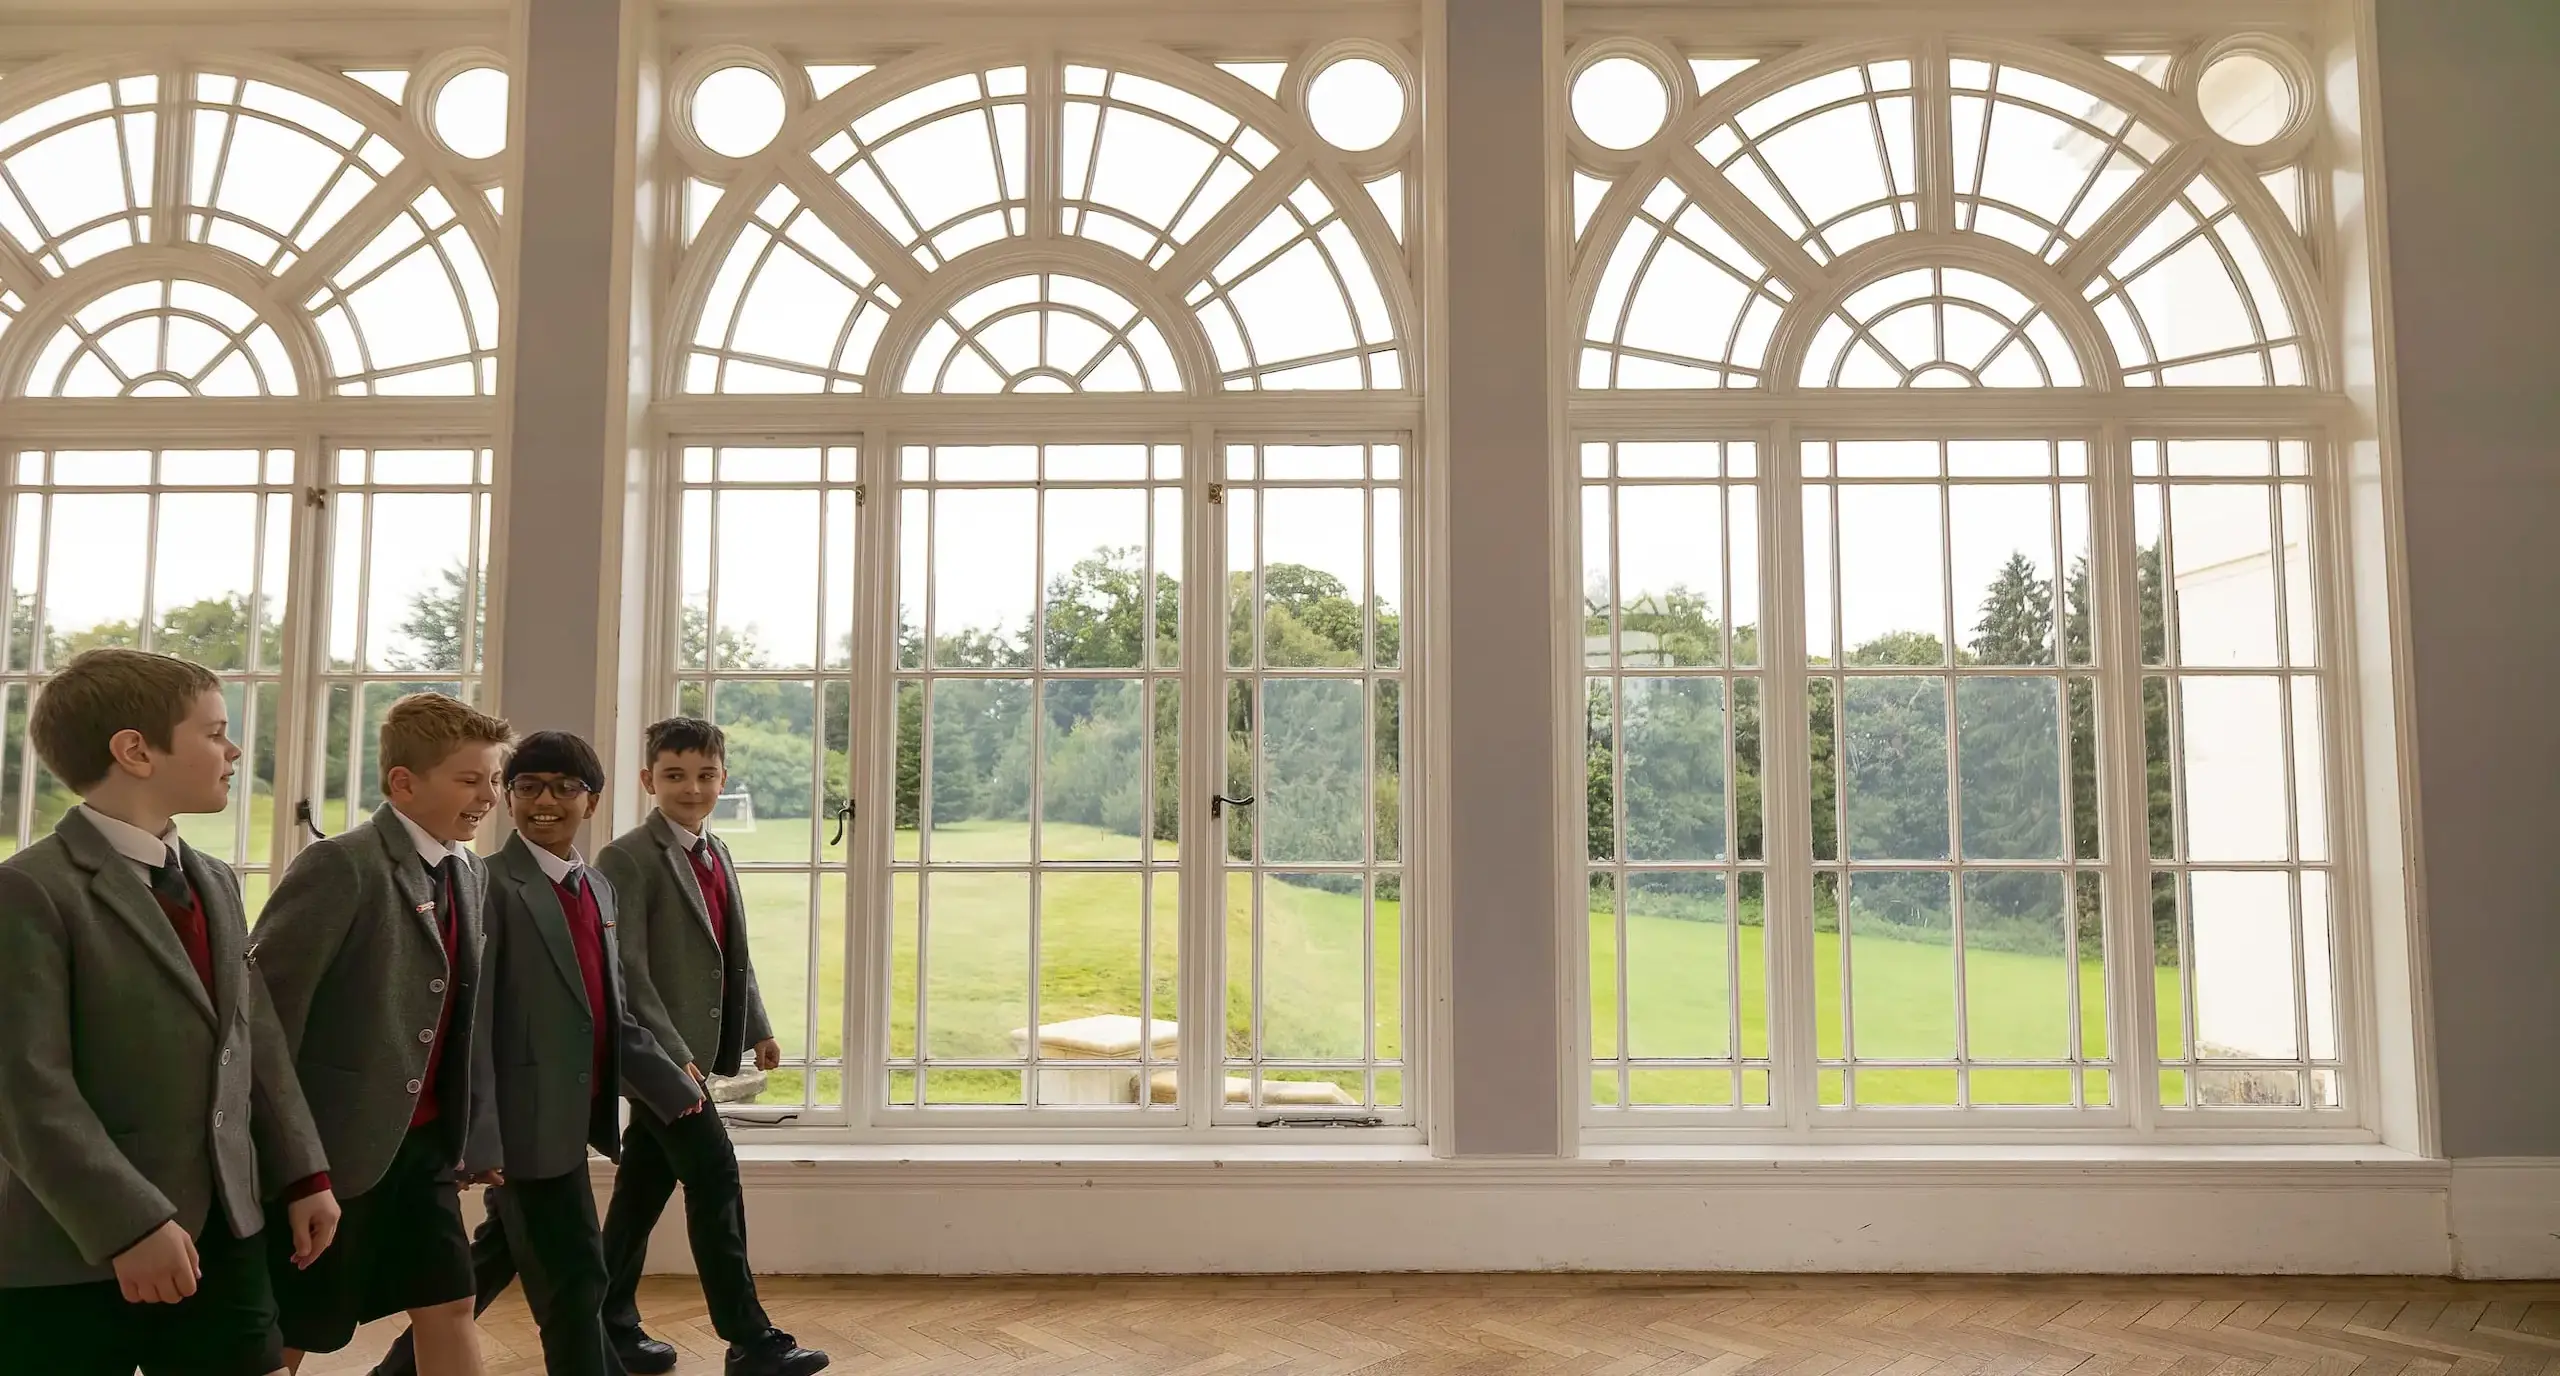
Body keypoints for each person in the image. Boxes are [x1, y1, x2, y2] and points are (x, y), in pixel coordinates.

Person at [0, 649, 337, 1376]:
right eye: (215, 732)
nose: (235, 748)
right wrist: (131, 1224)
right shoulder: (28, 893)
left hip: (226, 1226)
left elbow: (254, 1040)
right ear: (135, 751)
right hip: (72, 1249)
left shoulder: (214, 880)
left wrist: (304, 1171)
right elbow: (27, 1091)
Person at [253, 692, 509, 1375]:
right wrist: (292, 1161)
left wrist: (473, 1132)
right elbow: (264, 1020)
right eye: (469, 779)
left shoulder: (471, 872)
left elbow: (457, 1021)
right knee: (297, 1324)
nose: (490, 795)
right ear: (403, 783)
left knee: (451, 1302)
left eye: (493, 778)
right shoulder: (341, 866)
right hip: (334, 1155)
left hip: (424, 1151)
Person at [597, 718, 826, 1375]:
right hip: (660, 1063)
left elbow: (732, 953)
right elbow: (628, 971)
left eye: (704, 775)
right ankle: (749, 1340)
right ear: (649, 780)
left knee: (640, 1190)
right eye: (674, 775)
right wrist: (670, 1053)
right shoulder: (627, 858)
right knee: (715, 1177)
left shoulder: (716, 850)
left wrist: (758, 1027)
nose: (691, 788)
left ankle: (605, 1324)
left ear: (722, 778)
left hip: (696, 1056)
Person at [481, 730, 702, 1376]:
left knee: (493, 1261)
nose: (543, 801)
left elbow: (612, 1014)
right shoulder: (489, 886)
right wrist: (481, 1134)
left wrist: (673, 1087)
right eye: (527, 787)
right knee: (577, 1279)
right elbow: (472, 1024)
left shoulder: (597, 890)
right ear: (506, 797)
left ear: (593, 801)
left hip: (569, 1118)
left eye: (563, 788)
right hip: (524, 1126)